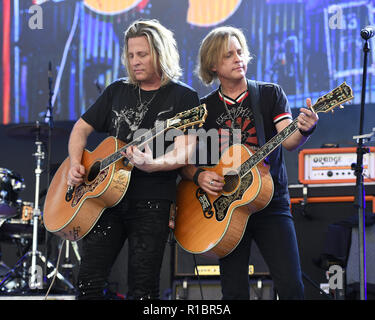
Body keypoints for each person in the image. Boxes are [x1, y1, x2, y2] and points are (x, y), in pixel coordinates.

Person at [180, 26, 319, 299]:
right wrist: (199, 177)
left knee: (291, 287)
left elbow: (289, 141)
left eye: (240, 52)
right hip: (225, 209)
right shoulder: (204, 109)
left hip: (271, 203)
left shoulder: (269, 94)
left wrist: (305, 129)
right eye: (229, 55)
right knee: (233, 292)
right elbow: (183, 163)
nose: (238, 58)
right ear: (213, 65)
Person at [67, 19, 199, 300]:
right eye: (130, 55)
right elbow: (80, 129)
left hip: (152, 201)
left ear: (160, 53)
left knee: (143, 289)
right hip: (105, 202)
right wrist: (75, 163)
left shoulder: (184, 98)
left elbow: (186, 151)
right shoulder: (117, 91)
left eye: (143, 54)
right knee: (88, 283)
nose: (135, 61)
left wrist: (154, 164)